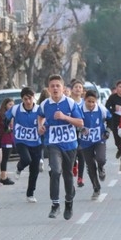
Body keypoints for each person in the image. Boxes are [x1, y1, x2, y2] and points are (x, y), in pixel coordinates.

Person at [38, 74, 84, 219]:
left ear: (63, 88)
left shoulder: (70, 103)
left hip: (70, 143)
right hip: (53, 143)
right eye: (52, 86)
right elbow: (40, 116)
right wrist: (40, 126)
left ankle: (69, 203)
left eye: (58, 86)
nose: (55, 88)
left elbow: (80, 123)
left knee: (67, 173)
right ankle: (55, 205)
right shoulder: (45, 104)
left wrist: (65, 117)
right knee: (55, 171)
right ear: (48, 89)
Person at [8, 87, 43, 202]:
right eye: (25, 99)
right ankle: (19, 168)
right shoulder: (16, 109)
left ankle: (30, 193)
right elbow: (5, 117)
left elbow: (46, 121)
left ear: (34, 98)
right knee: (26, 159)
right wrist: (6, 127)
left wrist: (43, 129)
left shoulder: (39, 109)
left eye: (30, 98)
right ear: (22, 99)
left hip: (36, 142)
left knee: (34, 169)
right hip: (21, 140)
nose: (28, 101)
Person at [79, 89, 111, 200]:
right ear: (84, 100)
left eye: (93, 102)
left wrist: (107, 130)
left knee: (100, 159)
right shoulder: (79, 110)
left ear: (96, 101)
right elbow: (74, 122)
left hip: (99, 139)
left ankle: (101, 168)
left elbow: (110, 119)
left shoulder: (101, 109)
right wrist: (80, 129)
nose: (91, 104)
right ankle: (96, 187)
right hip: (85, 142)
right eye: (89, 101)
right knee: (90, 165)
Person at [105, 80, 121, 173]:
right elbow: (107, 108)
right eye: (120, 87)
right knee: (117, 141)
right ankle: (119, 149)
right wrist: (114, 109)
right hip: (115, 121)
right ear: (116, 88)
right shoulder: (112, 98)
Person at [0, 98, 15, 185]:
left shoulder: (9, 114)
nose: (12, 106)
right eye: (10, 104)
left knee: (5, 158)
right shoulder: (3, 115)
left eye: (13, 105)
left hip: (9, 138)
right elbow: (5, 128)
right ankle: (3, 177)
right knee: (5, 159)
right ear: (5, 105)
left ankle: (4, 175)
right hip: (6, 138)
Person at [69, 80, 86, 187]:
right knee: (73, 151)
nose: (78, 89)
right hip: (71, 129)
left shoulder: (85, 102)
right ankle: (74, 164)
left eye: (80, 87)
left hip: (83, 130)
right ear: (72, 89)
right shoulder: (68, 101)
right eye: (76, 87)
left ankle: (80, 178)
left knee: (81, 152)